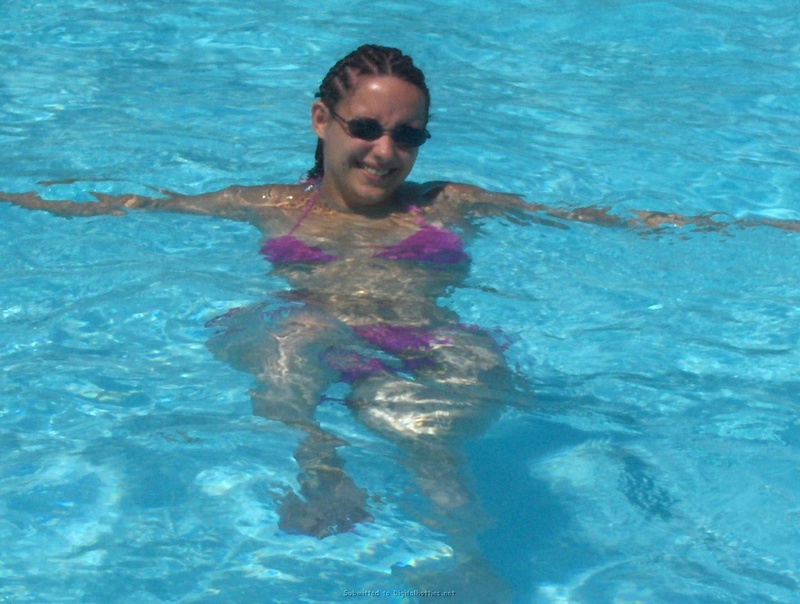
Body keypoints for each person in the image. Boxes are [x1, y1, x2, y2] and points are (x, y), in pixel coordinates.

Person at [1, 43, 798, 598]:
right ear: (321, 119)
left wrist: (754, 227)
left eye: (408, 135)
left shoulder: (448, 204)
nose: (386, 151)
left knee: (441, 391)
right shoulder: (267, 204)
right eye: (366, 127)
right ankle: (322, 471)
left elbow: (606, 222)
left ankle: (465, 560)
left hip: (418, 350)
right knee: (291, 333)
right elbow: (120, 207)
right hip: (309, 342)